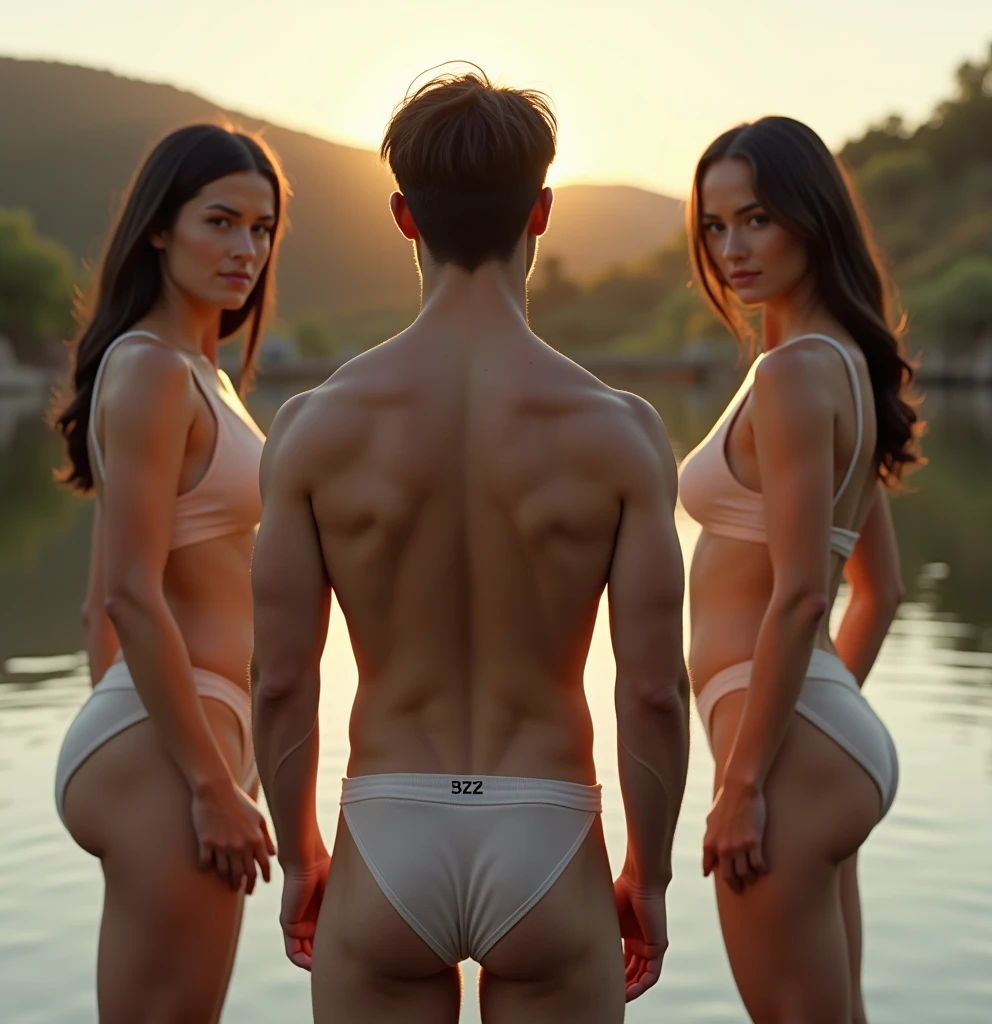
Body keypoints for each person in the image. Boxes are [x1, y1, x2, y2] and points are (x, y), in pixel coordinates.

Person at [252, 69, 689, 1023]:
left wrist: (299, 859)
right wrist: (647, 876)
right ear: (540, 212)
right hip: (549, 826)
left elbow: (282, 681)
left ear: (404, 218)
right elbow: (653, 689)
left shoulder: (314, 429)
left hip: (387, 826)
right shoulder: (619, 432)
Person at [678, 116, 923, 1023]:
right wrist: (825, 714)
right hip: (815, 736)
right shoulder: (838, 367)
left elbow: (805, 594)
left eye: (757, 219)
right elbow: (881, 589)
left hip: (784, 757)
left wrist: (748, 780)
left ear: (812, 220)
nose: (732, 247)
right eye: (714, 225)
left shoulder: (793, 377)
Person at [51, 123, 286, 1023]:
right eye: (220, 221)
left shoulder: (199, 373)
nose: (245, 250)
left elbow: (90, 609)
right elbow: (129, 596)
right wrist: (198, 777)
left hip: (170, 734)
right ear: (159, 227)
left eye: (262, 230)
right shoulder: (149, 367)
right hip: (170, 746)